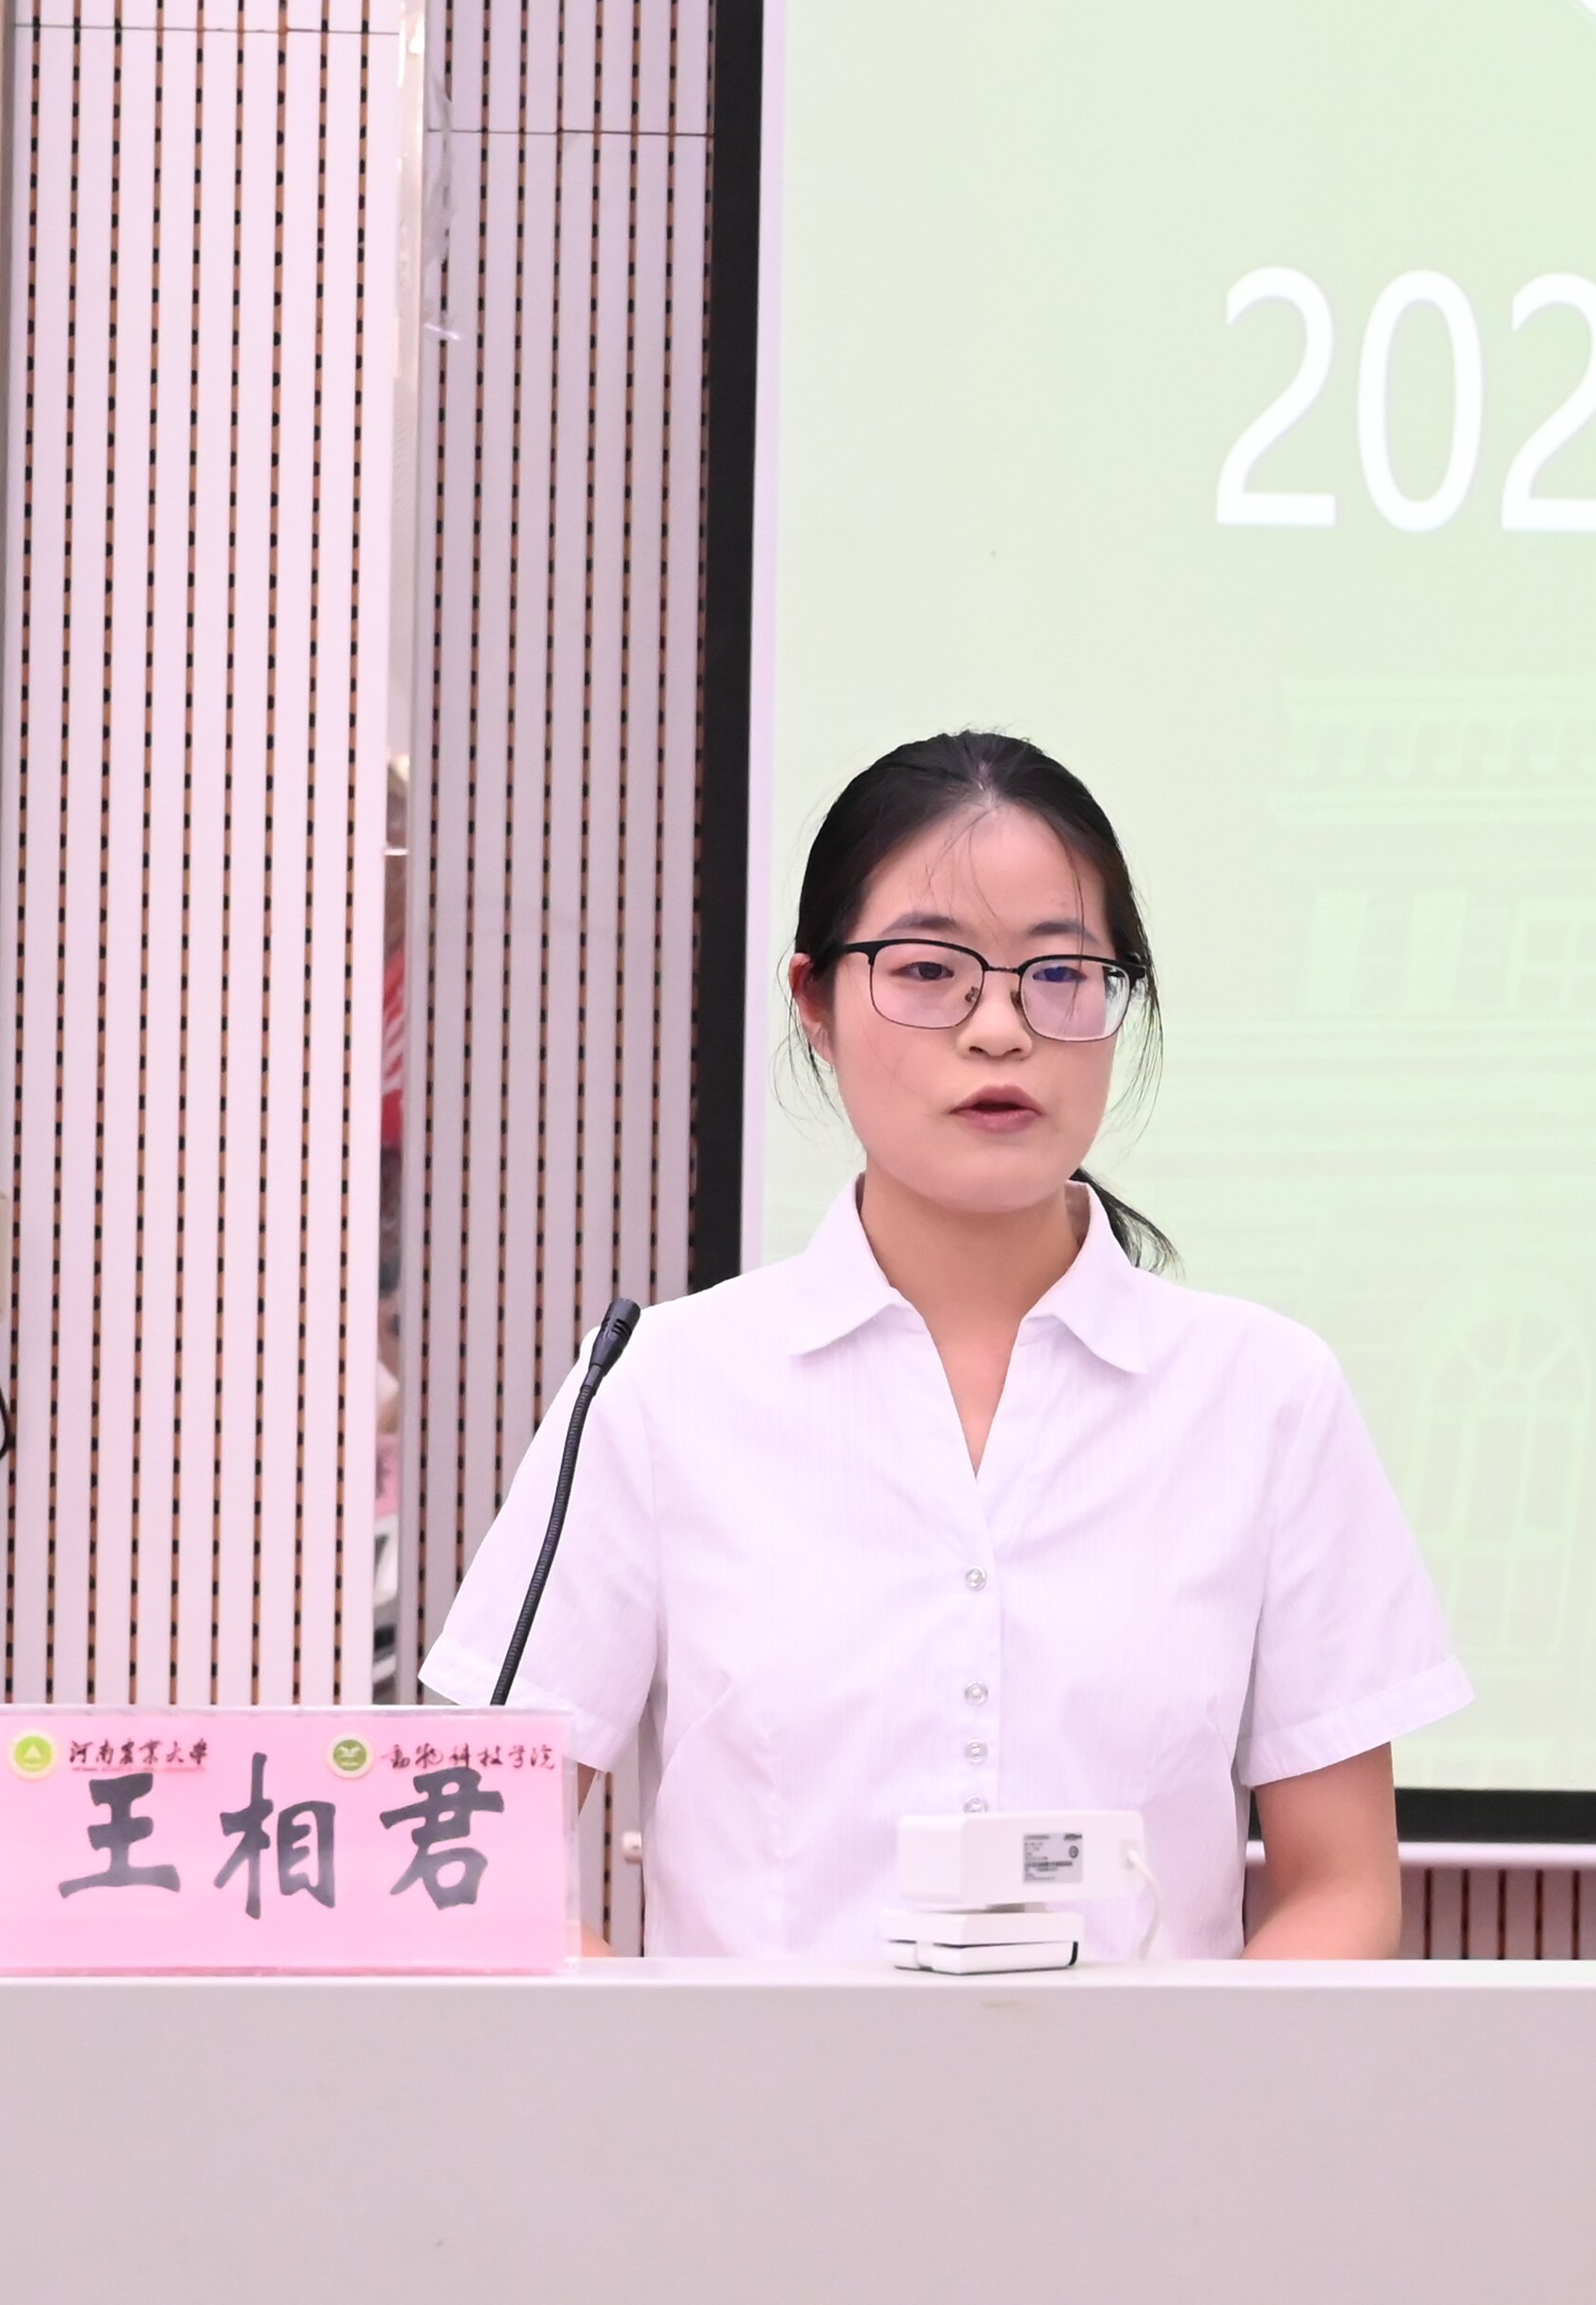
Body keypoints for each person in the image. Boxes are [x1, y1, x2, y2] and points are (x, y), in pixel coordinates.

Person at [420, 730, 1467, 1958]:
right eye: (927, 970)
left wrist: (1183, 2083)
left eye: (1060, 973)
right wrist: (678, 2062)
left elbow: (1341, 1890)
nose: (1000, 1030)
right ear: (814, 1002)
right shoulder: (663, 1389)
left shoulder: (1264, 1396)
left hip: (1149, 2090)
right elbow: (475, 1865)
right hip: (746, 2090)